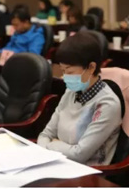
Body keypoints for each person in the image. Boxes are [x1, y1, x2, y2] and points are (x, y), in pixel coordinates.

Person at [38, 32, 121, 165]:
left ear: (91, 67)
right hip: (57, 162)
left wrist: (52, 145)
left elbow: (79, 154)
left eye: (70, 72)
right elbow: (45, 135)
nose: (64, 77)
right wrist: (53, 146)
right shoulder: (70, 92)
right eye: (63, 71)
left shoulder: (107, 104)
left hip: (88, 171)